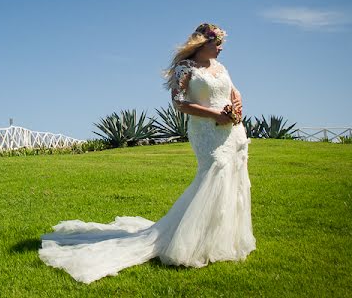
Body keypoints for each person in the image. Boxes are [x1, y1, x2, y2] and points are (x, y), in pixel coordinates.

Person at [38, 22, 256, 283]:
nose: (220, 49)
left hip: (232, 131)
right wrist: (213, 115)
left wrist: (236, 106)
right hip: (206, 132)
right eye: (216, 44)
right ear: (201, 44)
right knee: (212, 174)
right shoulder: (185, 69)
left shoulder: (221, 68)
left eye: (221, 44)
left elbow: (234, 92)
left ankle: (221, 241)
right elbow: (179, 103)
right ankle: (187, 241)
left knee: (233, 178)